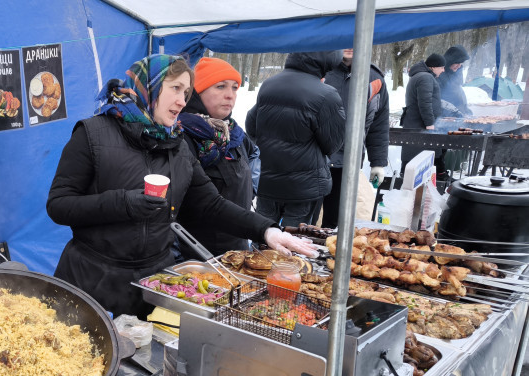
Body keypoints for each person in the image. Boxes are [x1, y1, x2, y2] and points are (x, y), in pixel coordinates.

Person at [47, 55, 317, 318]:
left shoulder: (176, 144)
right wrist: (124, 203)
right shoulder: (92, 133)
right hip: (90, 279)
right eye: (175, 88)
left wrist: (266, 229)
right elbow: (59, 205)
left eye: (186, 92)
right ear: (147, 88)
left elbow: (211, 205)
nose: (181, 100)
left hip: (154, 283)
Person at [246, 51, 346, 227]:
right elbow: (333, 144)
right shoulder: (326, 94)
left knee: (263, 237)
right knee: (296, 243)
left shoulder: (269, 85)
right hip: (304, 187)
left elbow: (251, 125)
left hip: (267, 181)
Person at [176, 57, 260, 255]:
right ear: (197, 92)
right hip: (198, 253)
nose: (230, 95)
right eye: (220, 87)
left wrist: (250, 188)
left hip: (238, 243)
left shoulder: (232, 131)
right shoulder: (182, 135)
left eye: (234, 88)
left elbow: (255, 154)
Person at [321, 48, 390, 229]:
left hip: (348, 162)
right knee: (306, 221)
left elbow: (378, 125)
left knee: (336, 223)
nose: (350, 46)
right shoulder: (321, 71)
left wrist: (378, 162)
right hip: (317, 159)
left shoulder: (374, 79)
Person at [400, 53, 445, 168]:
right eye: (442, 67)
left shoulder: (421, 76)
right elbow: (425, 103)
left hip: (415, 123)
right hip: (419, 125)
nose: (443, 70)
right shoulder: (426, 77)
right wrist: (430, 123)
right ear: (434, 67)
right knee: (417, 162)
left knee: (413, 161)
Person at [438, 45, 472, 117]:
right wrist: (455, 112)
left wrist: (465, 110)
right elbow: (436, 100)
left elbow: (458, 93)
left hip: (456, 116)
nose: (459, 66)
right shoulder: (439, 74)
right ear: (450, 61)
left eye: (461, 63)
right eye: (457, 63)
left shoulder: (457, 73)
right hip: (443, 117)